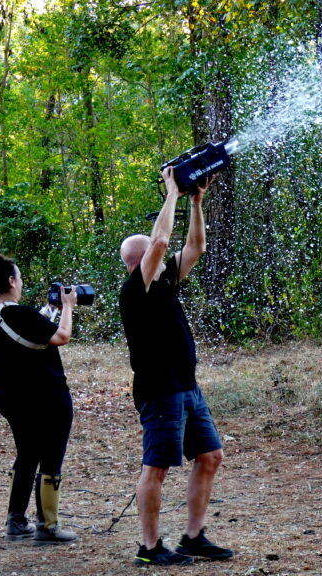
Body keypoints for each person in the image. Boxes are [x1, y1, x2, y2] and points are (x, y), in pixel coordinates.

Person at [119, 166, 233, 566]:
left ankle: (193, 537)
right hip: (160, 389)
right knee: (158, 468)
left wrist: (197, 201)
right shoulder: (138, 289)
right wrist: (172, 193)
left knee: (210, 456)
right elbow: (163, 239)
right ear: (143, 260)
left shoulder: (166, 282)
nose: (164, 255)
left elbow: (195, 247)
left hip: (187, 386)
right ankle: (149, 548)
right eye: (154, 253)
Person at [0, 252, 79, 543]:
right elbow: (61, 337)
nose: (21, 282)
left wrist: (47, 310)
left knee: (27, 454)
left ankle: (16, 520)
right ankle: (48, 526)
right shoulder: (20, 314)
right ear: (11, 281)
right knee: (51, 456)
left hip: (11, 397)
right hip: (45, 397)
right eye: (19, 277)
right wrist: (67, 307)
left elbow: (28, 336)